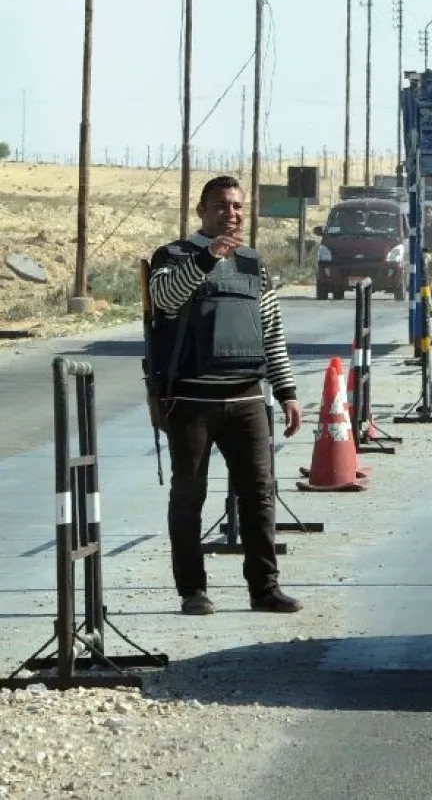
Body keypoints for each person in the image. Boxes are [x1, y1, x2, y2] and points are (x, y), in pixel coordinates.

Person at [146, 176, 303, 617]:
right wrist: (206, 258)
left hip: (248, 398)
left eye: (237, 206)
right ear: (201, 210)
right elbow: (164, 299)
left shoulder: (255, 264)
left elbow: (271, 332)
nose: (230, 214)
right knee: (189, 495)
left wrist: (287, 392)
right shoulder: (173, 256)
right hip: (191, 401)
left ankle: (265, 588)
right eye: (221, 206)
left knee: (259, 494)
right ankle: (193, 590)